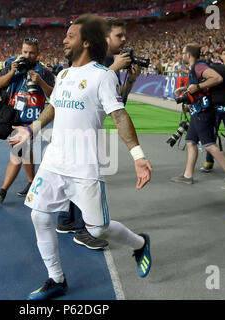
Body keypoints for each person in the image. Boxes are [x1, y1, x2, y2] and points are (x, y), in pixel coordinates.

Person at [9, 14, 153, 300]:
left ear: (86, 42)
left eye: (70, 36)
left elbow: (120, 115)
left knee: (98, 229)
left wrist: (137, 156)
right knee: (39, 216)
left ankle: (138, 243)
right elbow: (53, 107)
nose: (64, 40)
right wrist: (30, 129)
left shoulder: (103, 76)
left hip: (85, 165)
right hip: (54, 162)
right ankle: (56, 278)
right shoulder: (62, 74)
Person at [56, 17, 142, 250]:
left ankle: (66, 221)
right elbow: (85, 81)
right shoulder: (95, 61)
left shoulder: (106, 64)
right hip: (75, 133)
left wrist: (130, 80)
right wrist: (113, 68)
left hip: (78, 133)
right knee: (83, 179)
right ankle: (82, 229)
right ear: (104, 38)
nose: (124, 40)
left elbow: (116, 103)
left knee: (74, 177)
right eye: (119, 36)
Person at [0, 37, 55, 203]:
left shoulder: (45, 72)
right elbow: (0, 83)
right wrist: (13, 71)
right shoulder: (13, 65)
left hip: (33, 119)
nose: (27, 55)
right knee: (24, 151)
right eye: (25, 52)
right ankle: (32, 182)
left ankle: (3, 190)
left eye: (31, 53)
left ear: (38, 54)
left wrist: (40, 81)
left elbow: (52, 95)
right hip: (15, 115)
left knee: (19, 150)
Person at [171, 43, 225, 190]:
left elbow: (217, 78)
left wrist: (198, 87)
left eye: (183, 52)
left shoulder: (198, 66)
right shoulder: (196, 68)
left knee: (208, 144)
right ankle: (187, 175)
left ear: (188, 55)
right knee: (190, 141)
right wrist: (186, 88)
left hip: (204, 112)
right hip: (198, 111)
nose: (181, 55)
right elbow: (200, 85)